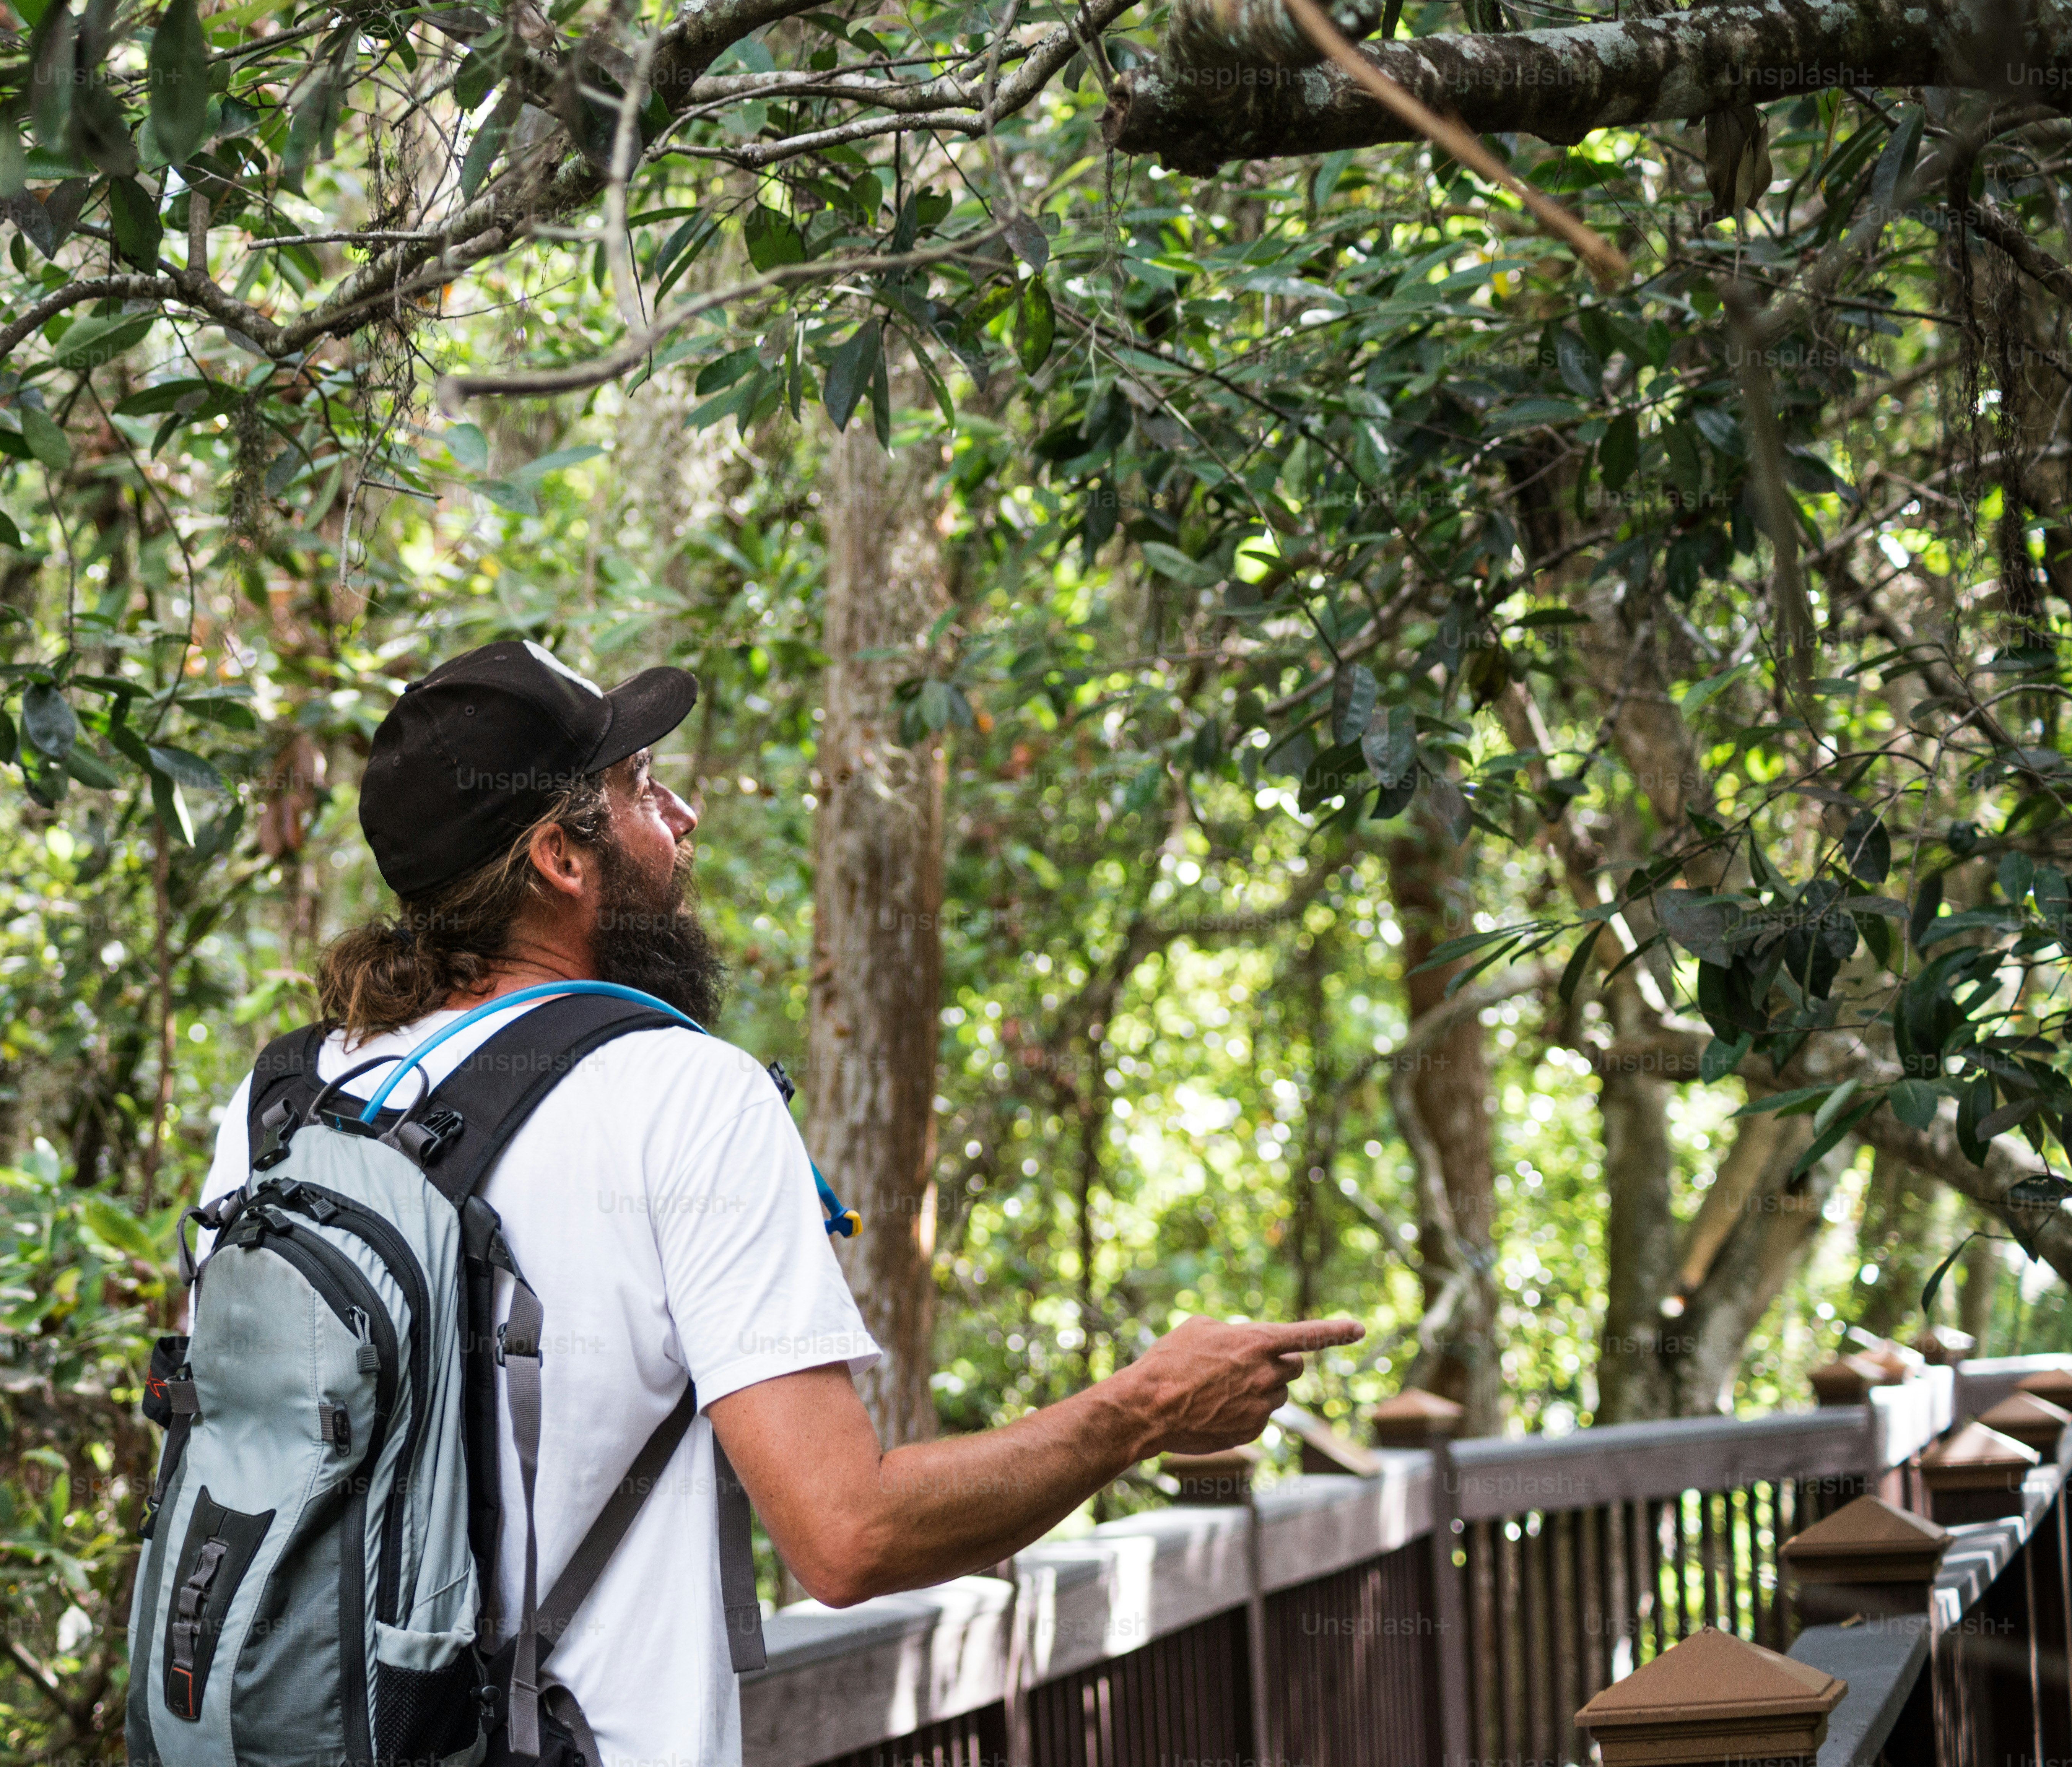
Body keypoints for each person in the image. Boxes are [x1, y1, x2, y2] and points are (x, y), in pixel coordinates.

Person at [188, 637, 1361, 1767]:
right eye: (642, 786)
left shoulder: (281, 1105)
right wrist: (1146, 1407)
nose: (684, 818)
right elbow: (849, 1535)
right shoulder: (684, 1092)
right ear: (560, 858)